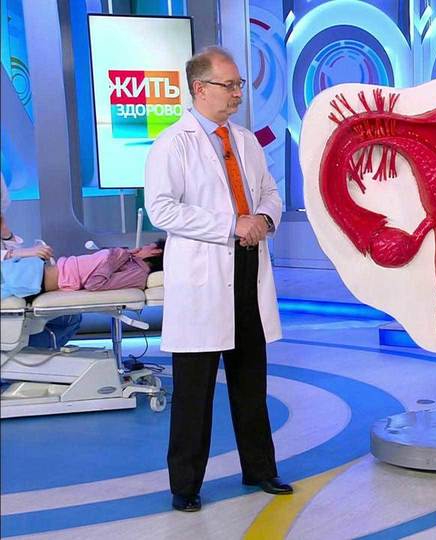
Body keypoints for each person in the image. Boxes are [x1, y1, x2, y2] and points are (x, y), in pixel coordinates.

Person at [144, 46, 288, 513]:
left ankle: (260, 469)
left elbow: (270, 192)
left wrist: (263, 219)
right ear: (200, 88)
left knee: (251, 381)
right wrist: (230, 225)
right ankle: (185, 486)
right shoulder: (173, 143)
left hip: (246, 268)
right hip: (204, 278)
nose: (238, 94)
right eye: (230, 85)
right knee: (195, 391)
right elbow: (162, 209)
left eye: (240, 85)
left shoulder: (245, 140)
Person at [1, 174, 81, 348]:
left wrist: (7, 235)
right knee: (69, 318)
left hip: (14, 277)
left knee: (71, 317)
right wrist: (21, 252)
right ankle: (20, 353)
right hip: (12, 282)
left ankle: (21, 353)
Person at [0, 241, 164, 299]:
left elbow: (95, 284)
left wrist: (118, 256)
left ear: (155, 251)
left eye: (146, 246)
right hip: (32, 271)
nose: (141, 246)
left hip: (31, 278)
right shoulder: (129, 260)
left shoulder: (137, 274)